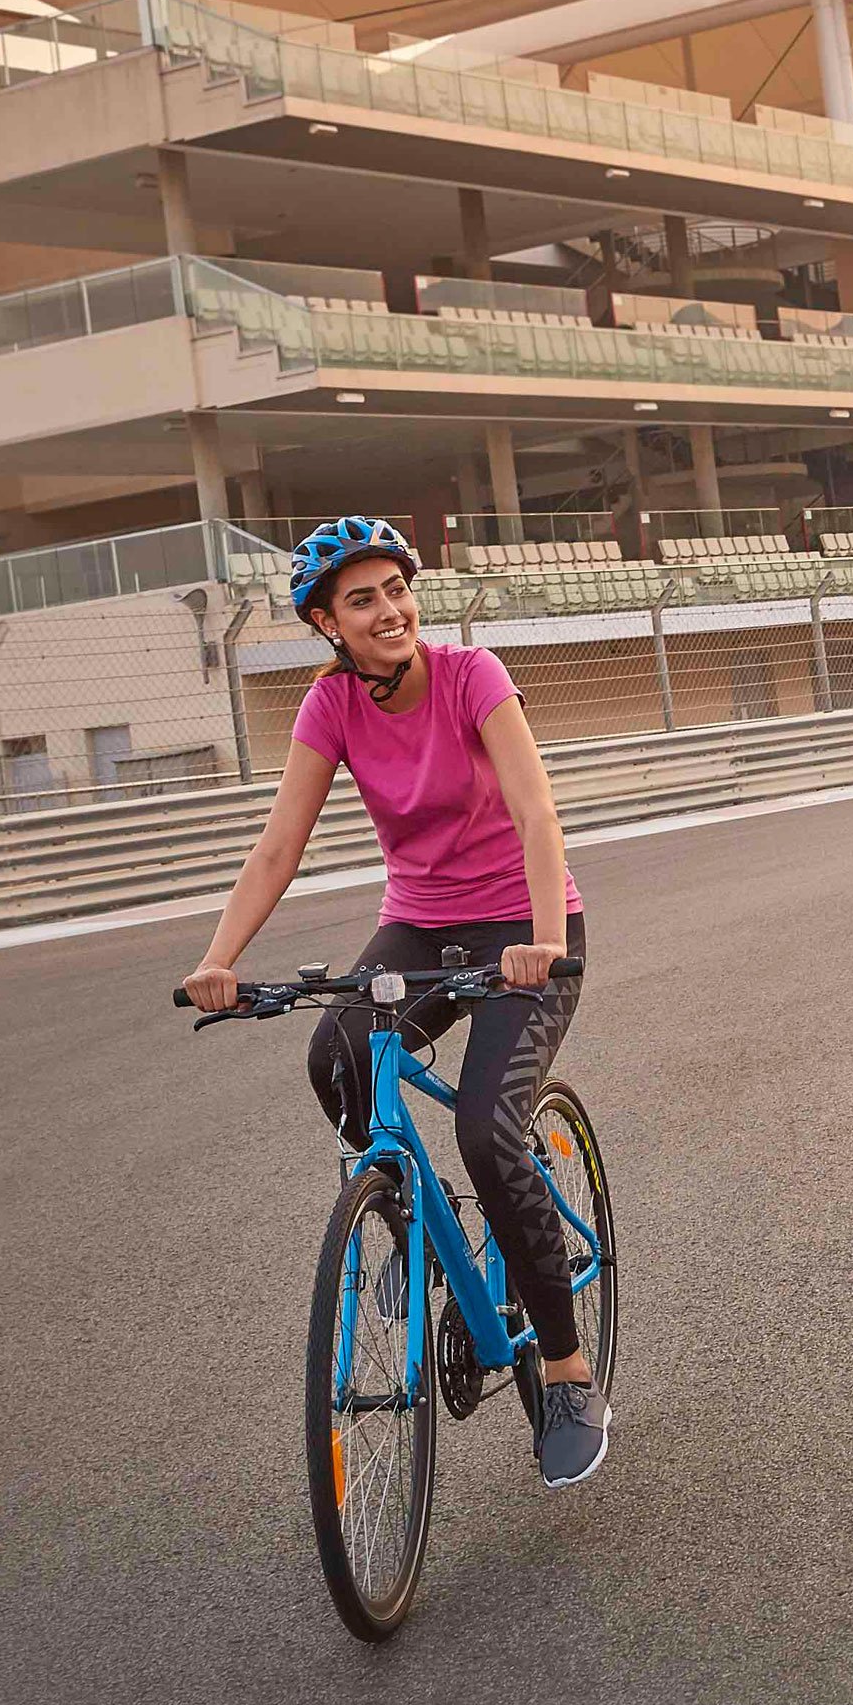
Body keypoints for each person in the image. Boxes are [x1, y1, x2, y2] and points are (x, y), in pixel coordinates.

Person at [182, 518, 608, 1489]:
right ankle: (419, 1230)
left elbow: (538, 812)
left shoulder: (472, 675)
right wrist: (218, 959)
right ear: (327, 623)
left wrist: (541, 941)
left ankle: (568, 1365)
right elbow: (277, 845)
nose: (388, 611)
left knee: (486, 1128)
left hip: (525, 926)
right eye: (362, 599)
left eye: (395, 590)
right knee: (334, 1057)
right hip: (420, 927)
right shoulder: (329, 705)